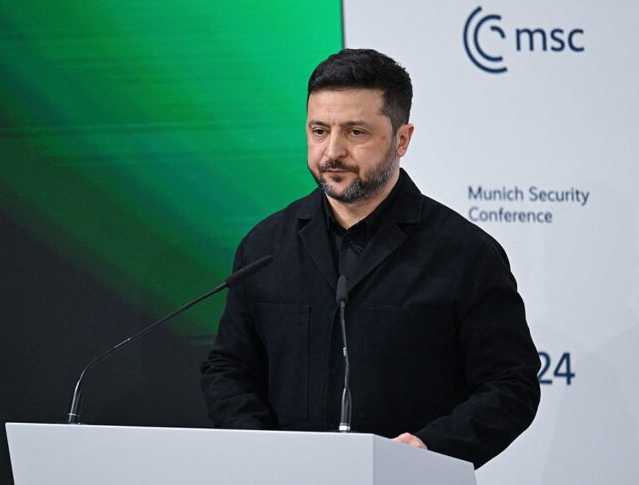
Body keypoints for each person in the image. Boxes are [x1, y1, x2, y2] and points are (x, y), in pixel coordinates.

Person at [201, 48, 540, 469]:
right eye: (319, 131)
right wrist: (260, 449)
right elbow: (229, 368)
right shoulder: (265, 246)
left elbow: (511, 384)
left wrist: (428, 449)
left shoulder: (466, 254)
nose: (332, 151)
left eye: (355, 132)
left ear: (402, 139)